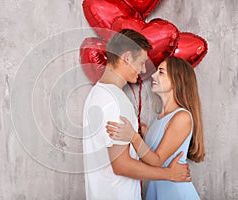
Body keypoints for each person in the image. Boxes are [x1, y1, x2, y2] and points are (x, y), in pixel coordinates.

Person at [82, 29, 191, 200]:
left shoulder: (95, 94)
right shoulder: (116, 101)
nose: (142, 70)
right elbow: (122, 166)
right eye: (141, 62)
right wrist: (169, 174)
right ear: (126, 58)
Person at [106, 56, 205, 200]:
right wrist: (145, 134)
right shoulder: (160, 118)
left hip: (175, 193)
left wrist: (134, 137)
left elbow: (157, 160)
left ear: (177, 80)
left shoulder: (182, 117)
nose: (153, 75)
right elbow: (152, 155)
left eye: (161, 72)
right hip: (160, 189)